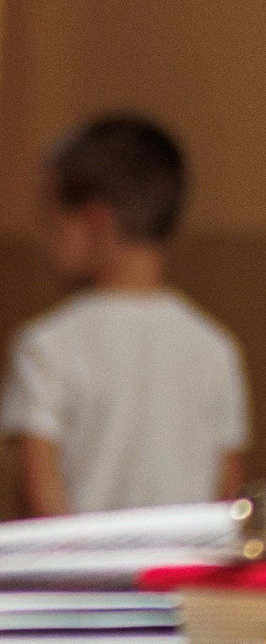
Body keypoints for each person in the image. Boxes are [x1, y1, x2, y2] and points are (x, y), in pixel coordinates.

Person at [2, 115, 248, 515]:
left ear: (95, 221)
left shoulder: (45, 346)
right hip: (179, 574)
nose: (41, 240)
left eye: (50, 222)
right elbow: (226, 500)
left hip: (79, 575)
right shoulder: (215, 347)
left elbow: (38, 505)